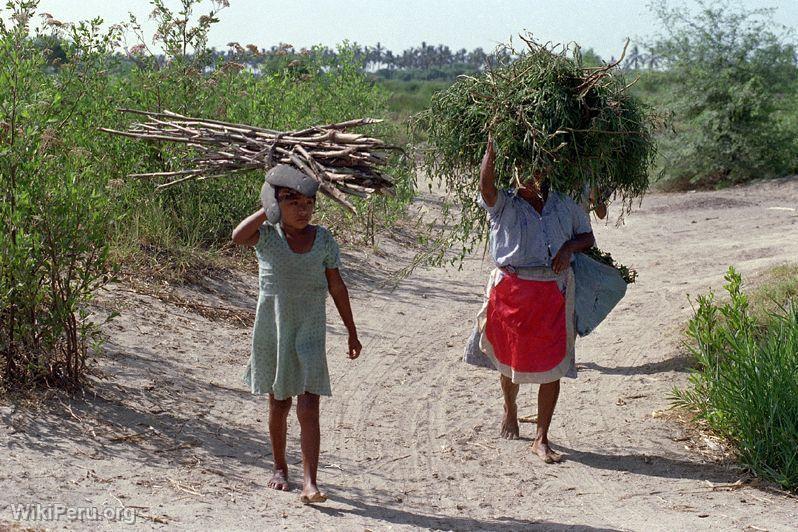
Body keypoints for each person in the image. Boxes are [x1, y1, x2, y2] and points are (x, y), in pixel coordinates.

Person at [232, 164, 362, 504]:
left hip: (310, 330)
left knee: (309, 405)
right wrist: (267, 208)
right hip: (274, 331)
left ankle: (310, 482)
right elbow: (237, 236)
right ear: (278, 205)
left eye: (308, 203)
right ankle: (279, 467)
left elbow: (336, 285)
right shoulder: (269, 238)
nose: (302, 210)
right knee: (279, 403)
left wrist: (351, 330)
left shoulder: (323, 240)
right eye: (292, 203)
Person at [464, 136, 595, 463]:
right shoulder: (503, 204)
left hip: (554, 291)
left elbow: (587, 236)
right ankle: (510, 408)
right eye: (527, 169)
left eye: (540, 168)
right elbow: (485, 187)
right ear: (515, 172)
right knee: (512, 359)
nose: (534, 175)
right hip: (512, 290)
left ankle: (541, 437)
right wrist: (491, 150)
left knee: (553, 366)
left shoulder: (564, 203)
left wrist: (567, 249)